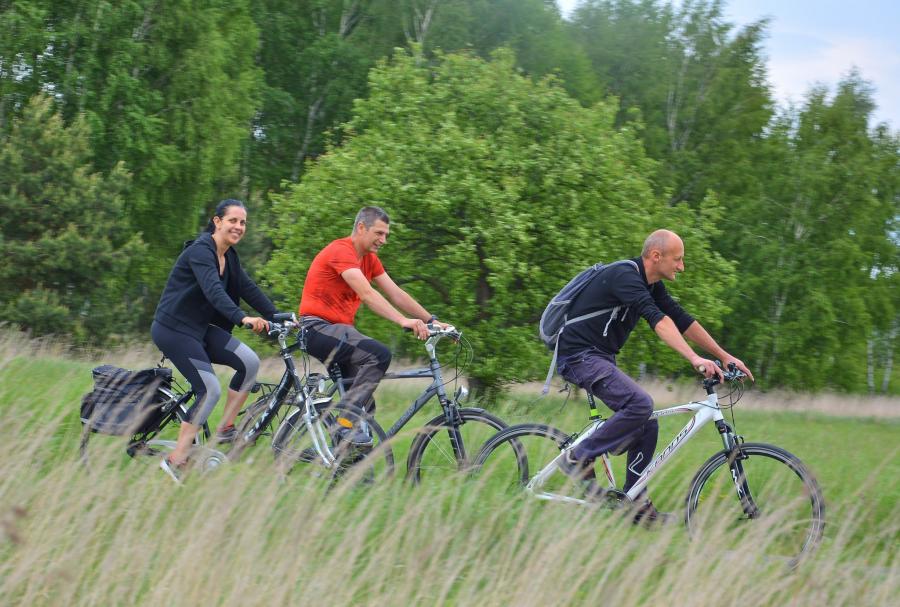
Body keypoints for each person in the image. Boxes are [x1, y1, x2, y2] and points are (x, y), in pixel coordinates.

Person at [555, 229, 754, 524]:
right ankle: (578, 458)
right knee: (640, 404)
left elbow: (680, 319)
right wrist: (694, 358)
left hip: (599, 358)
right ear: (656, 256)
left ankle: (637, 506)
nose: (682, 267)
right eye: (678, 259)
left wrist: (724, 355)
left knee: (647, 422)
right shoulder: (625, 276)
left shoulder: (651, 284)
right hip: (579, 356)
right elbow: (658, 320)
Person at [298, 206, 446, 445]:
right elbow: (367, 294)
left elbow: (396, 294)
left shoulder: (369, 260)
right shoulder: (341, 250)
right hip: (317, 328)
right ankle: (343, 425)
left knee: (364, 405)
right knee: (378, 355)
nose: (383, 240)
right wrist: (402, 320)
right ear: (361, 227)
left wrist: (431, 320)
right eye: (379, 233)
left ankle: (352, 459)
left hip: (339, 334)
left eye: (386, 235)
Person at [152, 199, 275, 483]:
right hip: (173, 329)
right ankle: (175, 460)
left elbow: (248, 288)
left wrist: (278, 315)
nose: (239, 226)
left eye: (243, 222)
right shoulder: (200, 251)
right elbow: (213, 291)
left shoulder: (229, 257)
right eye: (233, 220)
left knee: (249, 362)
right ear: (217, 222)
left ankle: (225, 429)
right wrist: (242, 318)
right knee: (209, 389)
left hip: (199, 329)